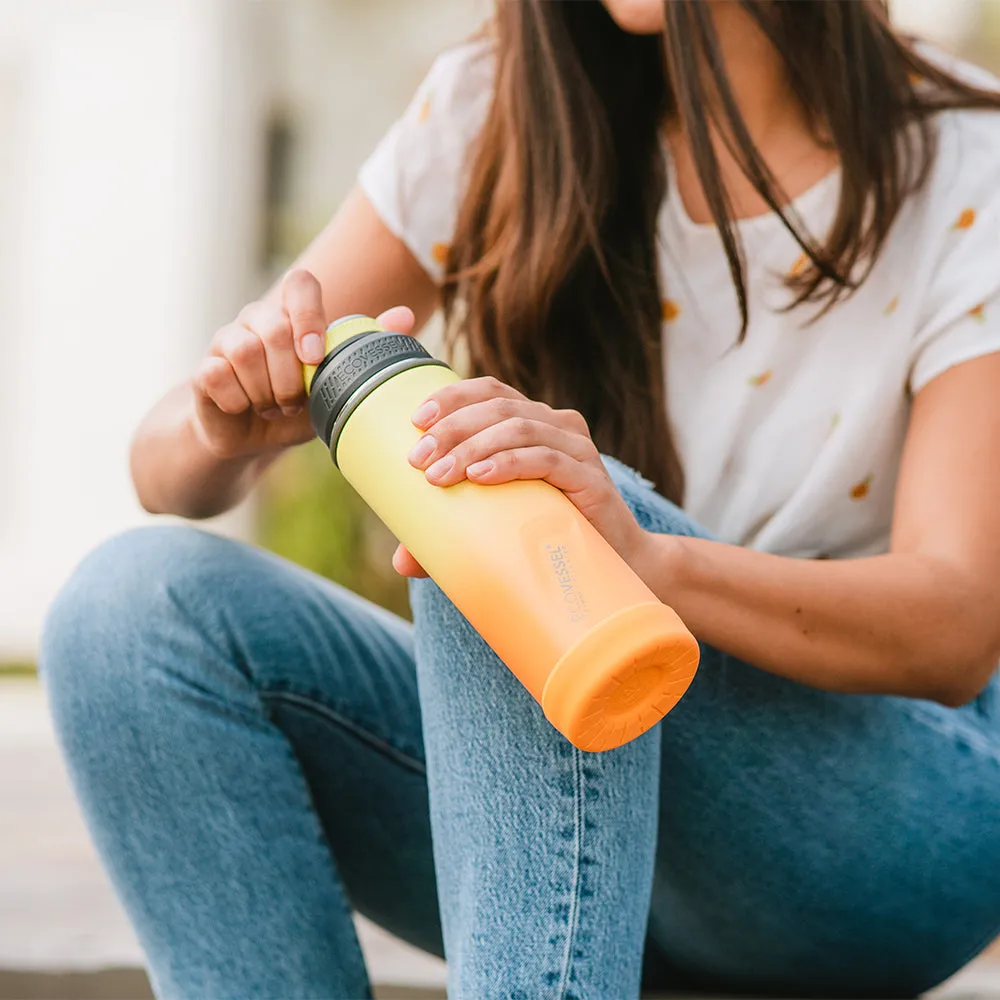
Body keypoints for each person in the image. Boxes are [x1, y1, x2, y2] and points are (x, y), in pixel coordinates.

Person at [40, 1, 1000, 998]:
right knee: (130, 609)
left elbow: (956, 624)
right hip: (576, 827)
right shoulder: (503, 106)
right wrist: (219, 424)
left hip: (881, 836)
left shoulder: (971, 164)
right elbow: (162, 466)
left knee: (515, 510)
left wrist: (644, 561)